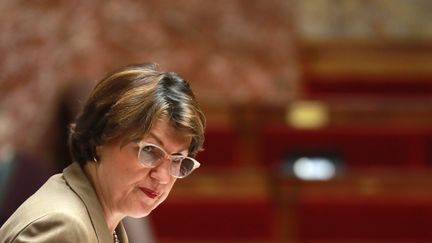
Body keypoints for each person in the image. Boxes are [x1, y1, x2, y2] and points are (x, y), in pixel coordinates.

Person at [0, 63, 206, 243]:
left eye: (178, 161)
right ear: (102, 138)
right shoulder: (63, 227)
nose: (162, 177)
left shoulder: (106, 219)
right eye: (150, 150)